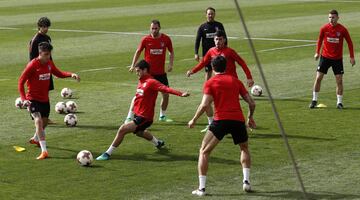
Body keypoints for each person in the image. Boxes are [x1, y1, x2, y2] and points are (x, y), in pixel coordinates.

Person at [188, 56, 256, 196]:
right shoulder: (236, 81)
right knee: (244, 148)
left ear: (213, 68)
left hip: (221, 120)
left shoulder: (210, 82)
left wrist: (194, 119)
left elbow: (205, 104)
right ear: (226, 67)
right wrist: (250, 117)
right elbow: (251, 102)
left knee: (204, 151)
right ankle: (246, 182)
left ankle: (201, 189)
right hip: (238, 120)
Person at [96, 60, 189, 161]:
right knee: (139, 132)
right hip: (138, 115)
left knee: (122, 129)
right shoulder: (141, 81)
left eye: (138, 71)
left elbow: (165, 89)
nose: (137, 73)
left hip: (145, 117)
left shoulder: (151, 82)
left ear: (145, 70)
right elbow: (137, 99)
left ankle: (107, 153)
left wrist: (180, 93)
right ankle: (157, 142)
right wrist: (130, 115)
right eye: (136, 71)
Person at [18, 42, 80, 159]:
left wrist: (70, 74)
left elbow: (59, 73)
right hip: (32, 99)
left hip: (45, 100)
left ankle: (36, 139)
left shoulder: (49, 63)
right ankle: (44, 151)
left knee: (44, 123)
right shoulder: (32, 65)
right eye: (46, 54)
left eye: (49, 54)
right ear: (40, 53)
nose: (48, 57)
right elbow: (20, 82)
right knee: (38, 120)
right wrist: (24, 99)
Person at [187, 30, 254, 130]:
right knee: (209, 103)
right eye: (216, 39)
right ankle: (212, 124)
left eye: (220, 39)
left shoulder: (230, 52)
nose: (218, 41)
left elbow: (242, 63)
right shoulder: (211, 51)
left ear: (224, 40)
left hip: (231, 84)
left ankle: (239, 123)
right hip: (218, 83)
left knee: (231, 105)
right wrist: (193, 71)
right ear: (214, 40)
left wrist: (249, 77)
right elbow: (203, 63)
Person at [126, 19, 175, 123]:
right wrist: (132, 65)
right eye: (152, 28)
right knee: (139, 95)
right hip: (148, 75)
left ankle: (162, 115)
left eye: (156, 28)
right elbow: (138, 51)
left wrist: (170, 64)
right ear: (150, 28)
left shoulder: (166, 39)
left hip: (161, 74)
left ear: (159, 28)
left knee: (166, 95)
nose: (154, 30)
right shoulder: (145, 39)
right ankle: (129, 117)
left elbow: (171, 52)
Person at [310, 9, 355, 109]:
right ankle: (314, 100)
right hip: (325, 57)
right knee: (318, 78)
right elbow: (319, 40)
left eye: (333, 17)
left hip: (337, 59)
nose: (331, 19)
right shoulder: (324, 28)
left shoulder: (342, 29)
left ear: (338, 18)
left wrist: (352, 57)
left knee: (339, 81)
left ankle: (339, 103)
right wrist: (317, 52)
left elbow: (350, 43)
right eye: (330, 17)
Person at [194, 7, 227, 132]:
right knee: (208, 73)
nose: (210, 16)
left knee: (220, 72)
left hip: (219, 54)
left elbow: (225, 38)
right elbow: (198, 40)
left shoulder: (219, 25)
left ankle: (218, 88)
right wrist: (196, 53)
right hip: (208, 55)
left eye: (212, 14)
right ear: (206, 15)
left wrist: (225, 50)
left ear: (214, 14)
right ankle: (207, 90)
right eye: (208, 14)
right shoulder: (202, 27)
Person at [29, 17, 55, 127]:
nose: (46, 29)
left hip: (47, 69)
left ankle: (44, 116)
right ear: (39, 26)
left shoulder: (48, 38)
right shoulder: (35, 40)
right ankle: (35, 113)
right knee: (38, 92)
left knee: (46, 90)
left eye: (47, 26)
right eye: (43, 26)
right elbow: (31, 57)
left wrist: (52, 69)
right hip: (38, 71)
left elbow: (50, 57)